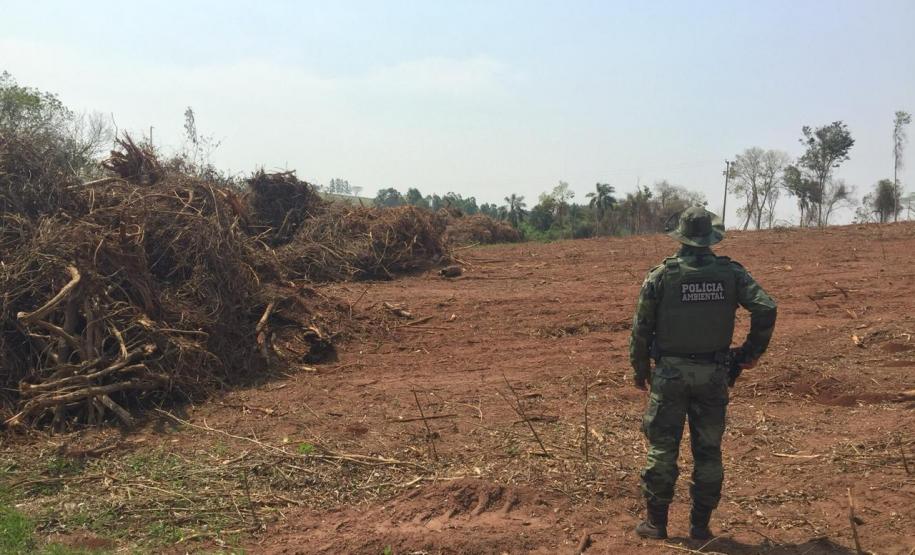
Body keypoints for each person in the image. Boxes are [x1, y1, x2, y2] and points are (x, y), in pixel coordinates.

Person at [628, 206, 777, 540]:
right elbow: (766, 307)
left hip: (670, 375)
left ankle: (656, 523)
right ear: (710, 237)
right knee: (708, 452)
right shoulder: (732, 274)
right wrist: (748, 354)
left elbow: (641, 328)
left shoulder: (662, 276)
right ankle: (700, 526)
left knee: (662, 448)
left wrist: (640, 370)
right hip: (713, 374)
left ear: (680, 235)